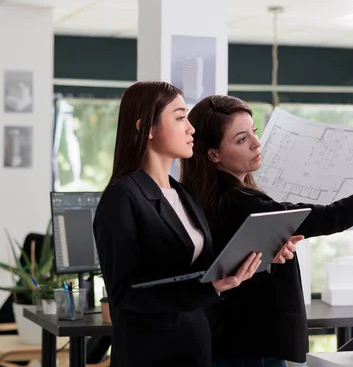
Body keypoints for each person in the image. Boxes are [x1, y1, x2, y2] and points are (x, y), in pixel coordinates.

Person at [180, 95, 353, 367]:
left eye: (254, 132)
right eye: (241, 139)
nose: (256, 143)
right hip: (251, 348)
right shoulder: (243, 205)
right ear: (213, 154)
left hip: (230, 341)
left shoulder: (203, 199)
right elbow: (332, 217)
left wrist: (269, 251)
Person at [92, 82, 263, 367]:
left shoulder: (182, 193)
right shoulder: (122, 197)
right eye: (180, 117)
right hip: (150, 354)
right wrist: (210, 289)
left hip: (194, 347)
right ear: (147, 128)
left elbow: (194, 266)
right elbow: (124, 295)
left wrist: (256, 250)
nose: (191, 128)